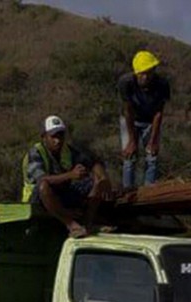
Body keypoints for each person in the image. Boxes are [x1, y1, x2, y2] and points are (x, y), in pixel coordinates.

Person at [22, 115, 112, 237]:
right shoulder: (36, 153)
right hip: (39, 199)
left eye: (60, 135)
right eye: (53, 136)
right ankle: (71, 224)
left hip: (62, 193)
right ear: (44, 137)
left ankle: (87, 223)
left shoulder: (67, 151)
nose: (57, 140)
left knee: (96, 181)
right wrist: (70, 175)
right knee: (44, 186)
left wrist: (103, 178)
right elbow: (42, 179)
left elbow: (92, 161)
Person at [118, 50, 170, 189]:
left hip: (150, 121)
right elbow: (128, 111)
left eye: (149, 72)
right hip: (130, 120)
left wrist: (153, 140)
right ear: (136, 72)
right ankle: (127, 191)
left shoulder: (162, 84)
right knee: (129, 157)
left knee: (152, 157)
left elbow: (159, 112)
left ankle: (149, 191)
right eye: (142, 73)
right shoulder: (126, 83)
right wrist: (132, 140)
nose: (145, 77)